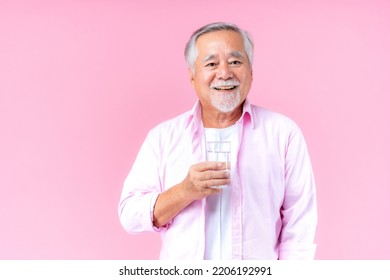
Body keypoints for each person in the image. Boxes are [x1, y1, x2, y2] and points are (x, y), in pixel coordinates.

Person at [118, 22, 317, 260]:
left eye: (235, 62)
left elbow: (299, 226)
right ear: (192, 76)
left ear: (251, 72)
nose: (224, 73)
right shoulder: (163, 138)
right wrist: (184, 191)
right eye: (211, 64)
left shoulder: (283, 133)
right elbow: (129, 216)